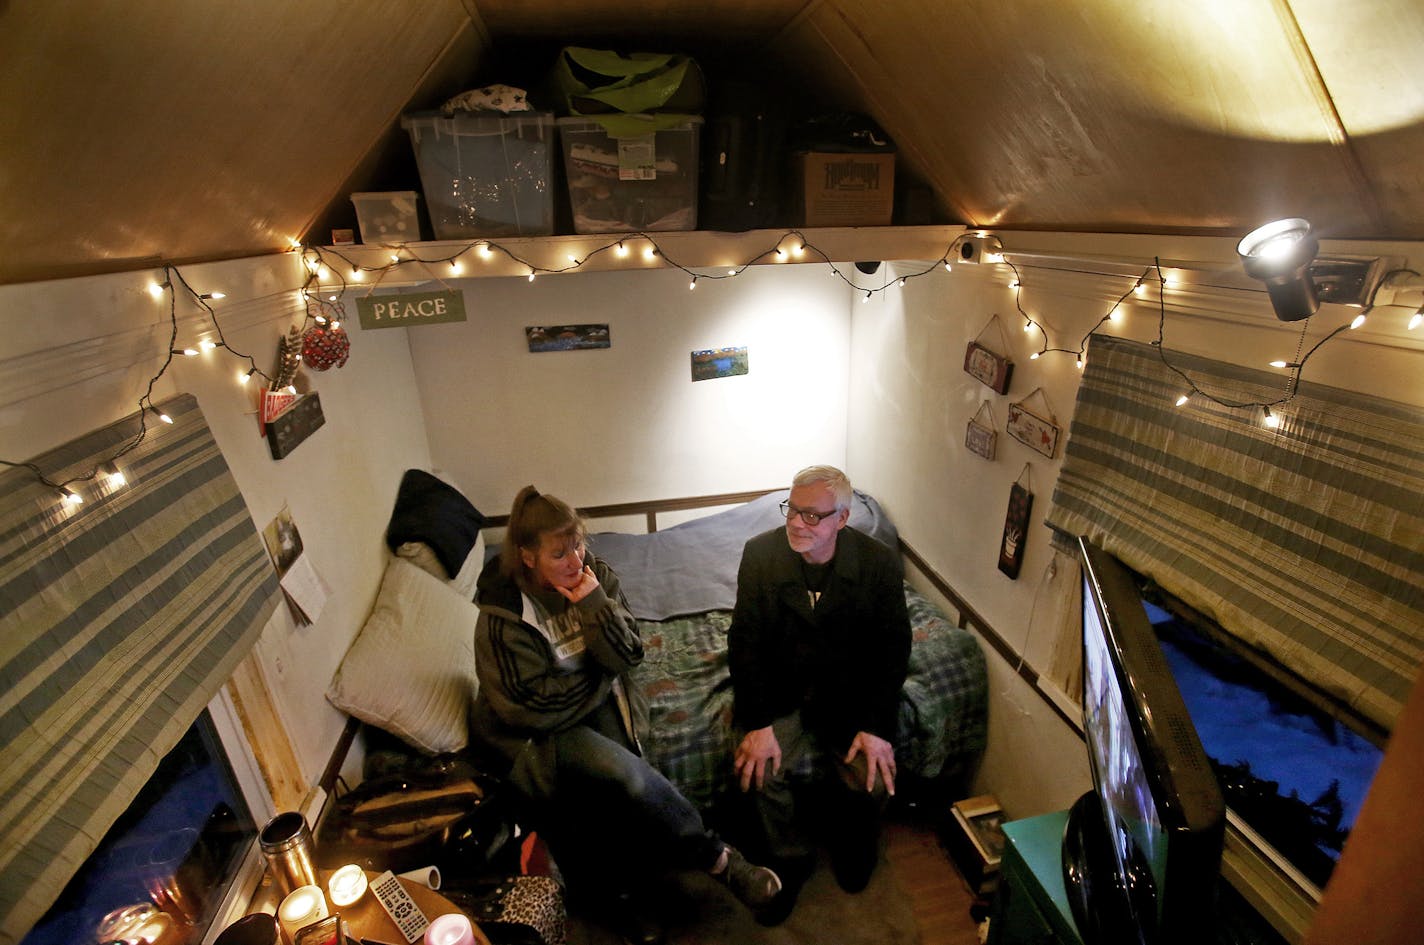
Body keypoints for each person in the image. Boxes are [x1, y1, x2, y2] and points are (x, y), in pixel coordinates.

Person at [469, 485, 781, 944]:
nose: (576, 560)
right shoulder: (502, 618)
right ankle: (718, 859)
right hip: (535, 737)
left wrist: (594, 606)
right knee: (627, 778)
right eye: (559, 553)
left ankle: (628, 894)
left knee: (621, 776)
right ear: (528, 556)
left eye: (578, 543)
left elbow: (631, 653)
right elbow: (532, 708)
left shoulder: (595, 577)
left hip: (590, 705)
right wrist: (600, 675)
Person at [728, 465, 912, 925]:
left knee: (872, 774)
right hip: (780, 691)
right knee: (761, 770)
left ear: (843, 519)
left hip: (848, 697)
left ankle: (855, 843)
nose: (796, 523)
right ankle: (789, 860)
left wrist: (874, 727)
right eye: (793, 509)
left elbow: (892, 652)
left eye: (812, 516)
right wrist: (757, 723)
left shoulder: (877, 564)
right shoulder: (760, 555)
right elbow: (744, 642)